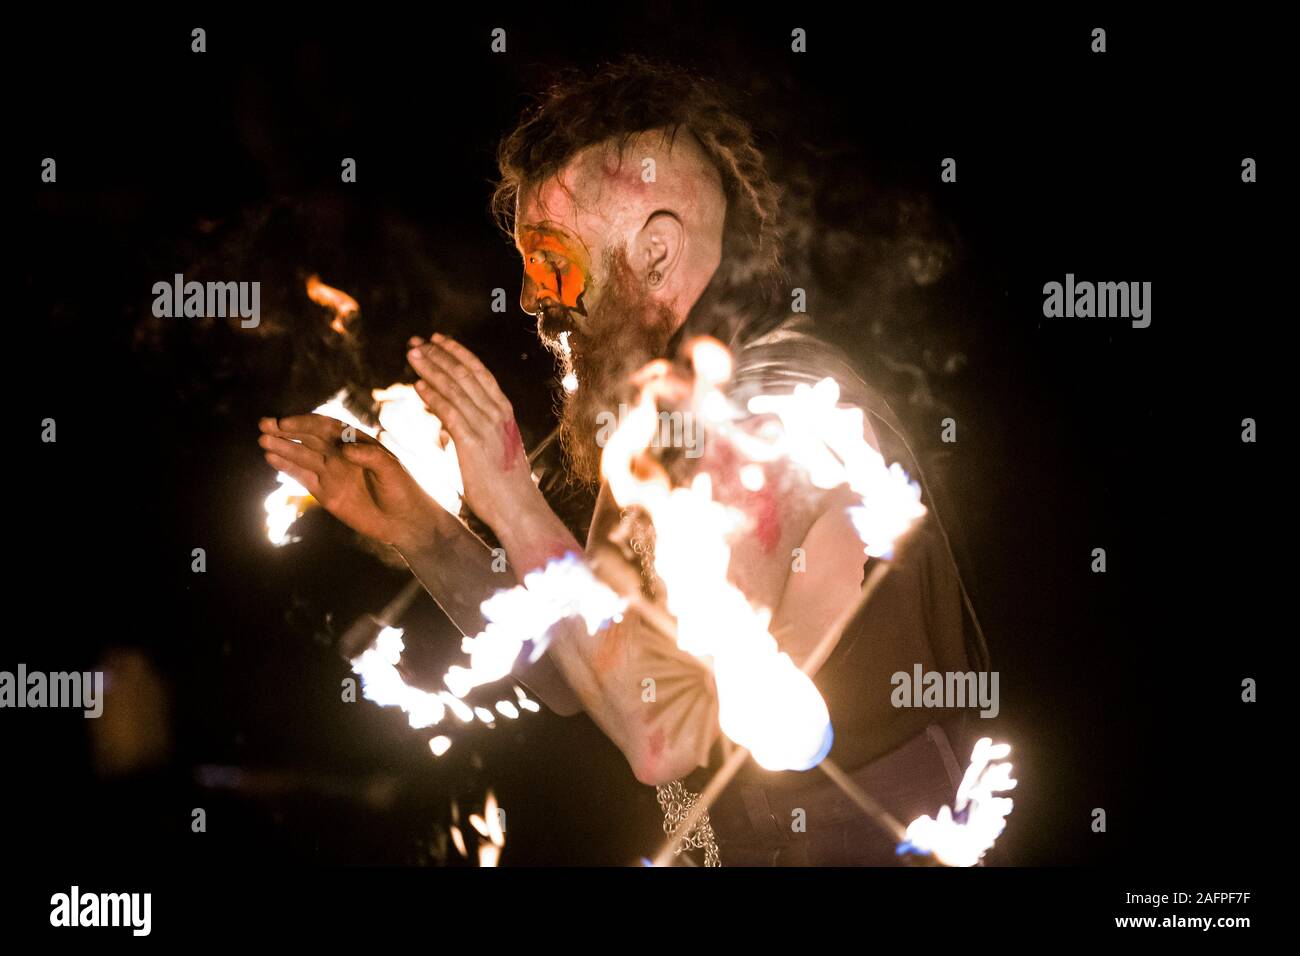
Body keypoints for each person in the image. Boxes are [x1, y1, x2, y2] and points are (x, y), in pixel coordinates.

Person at [257, 56, 989, 865]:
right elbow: (586, 677)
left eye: (554, 259)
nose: (536, 299)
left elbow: (658, 737)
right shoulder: (661, 420)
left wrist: (510, 497)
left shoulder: (772, 414)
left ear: (658, 253)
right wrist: (424, 534)